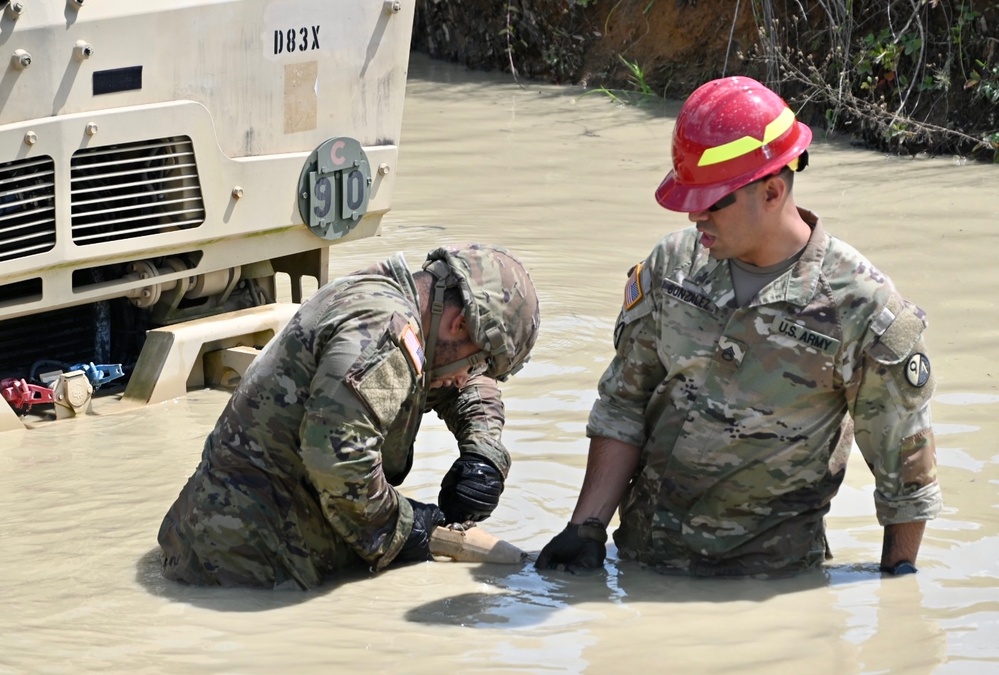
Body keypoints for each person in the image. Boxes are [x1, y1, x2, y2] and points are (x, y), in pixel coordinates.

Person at [535, 76, 941, 578]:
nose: (694, 213)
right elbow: (624, 403)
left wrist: (898, 597)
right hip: (640, 561)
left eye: (711, 200)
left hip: (770, 587)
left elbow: (905, 479)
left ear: (772, 191)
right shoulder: (672, 266)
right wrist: (586, 529)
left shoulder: (861, 308)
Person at [158, 243, 540, 589]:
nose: (468, 377)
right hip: (250, 561)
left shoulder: (406, 307)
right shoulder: (384, 331)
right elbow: (340, 462)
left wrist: (483, 453)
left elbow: (457, 381)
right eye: (481, 361)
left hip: (254, 538)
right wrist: (411, 529)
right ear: (459, 324)